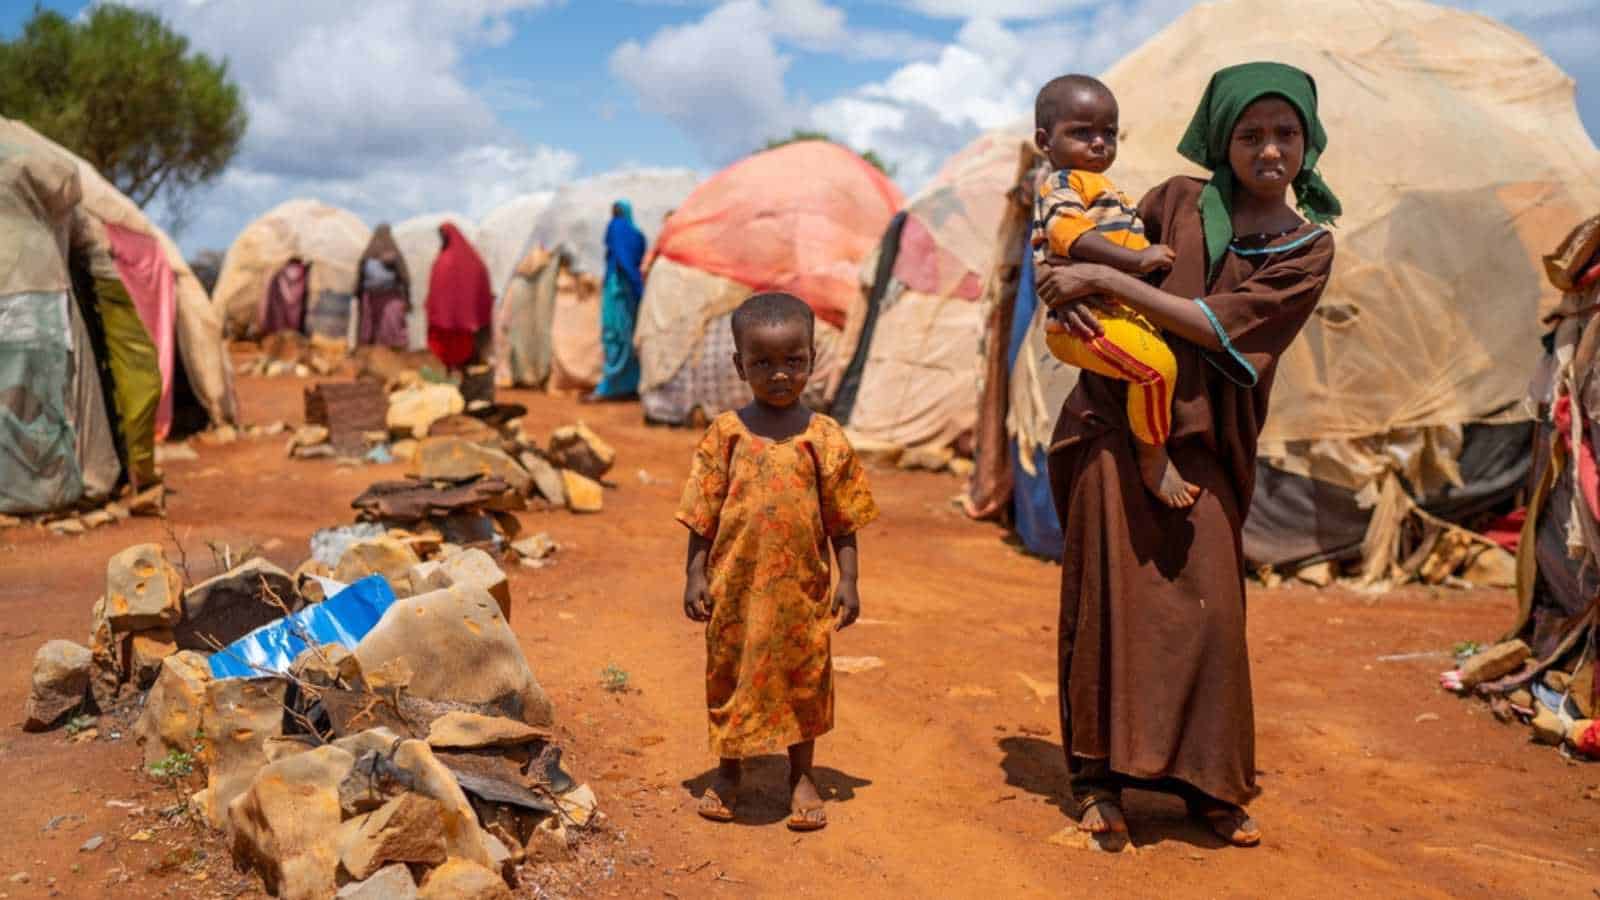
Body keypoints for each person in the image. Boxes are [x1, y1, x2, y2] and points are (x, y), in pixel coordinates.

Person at [1035, 61, 1339, 847]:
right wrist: (1071, 277)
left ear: (1308, 142)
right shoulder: (1172, 201)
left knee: (1209, 615)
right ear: (1221, 138)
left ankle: (1207, 782)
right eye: (1249, 133)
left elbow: (1217, 325)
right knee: (1109, 608)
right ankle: (1098, 779)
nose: (1268, 149)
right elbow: (1077, 261)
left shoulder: (1307, 248)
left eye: (1285, 133)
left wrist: (1106, 275)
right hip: (1117, 426)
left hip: (1206, 445)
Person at [675, 292, 877, 832]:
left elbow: (844, 518)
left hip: (801, 593)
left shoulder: (825, 437)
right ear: (740, 365)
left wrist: (849, 579)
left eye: (793, 361)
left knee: (804, 677)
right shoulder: (725, 435)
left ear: (812, 359)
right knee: (730, 676)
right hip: (733, 591)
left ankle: (801, 776)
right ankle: (729, 770)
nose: (780, 374)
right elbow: (701, 513)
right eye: (763, 363)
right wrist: (694, 574)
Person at [1031, 74, 1192, 508]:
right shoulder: (1060, 184)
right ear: (1045, 141)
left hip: (1112, 312)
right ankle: (1153, 456)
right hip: (1084, 320)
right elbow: (1068, 235)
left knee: (1159, 360)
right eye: (1081, 133)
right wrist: (1137, 262)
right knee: (1158, 368)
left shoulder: (1109, 191)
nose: (1099, 143)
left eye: (1108, 132)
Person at [585, 200, 647, 402]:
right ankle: (630, 385)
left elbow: (623, 257)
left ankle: (611, 387)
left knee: (614, 336)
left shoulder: (616, 227)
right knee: (628, 337)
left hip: (618, 289)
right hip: (631, 291)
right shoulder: (637, 235)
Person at [426, 222, 494, 370]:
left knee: (452, 350)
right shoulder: (472, 259)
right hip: (463, 321)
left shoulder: (444, 259)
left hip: (450, 322)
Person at [354, 224, 411, 349]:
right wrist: (407, 299)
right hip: (390, 298)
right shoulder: (394, 252)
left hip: (369, 298)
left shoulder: (367, 254)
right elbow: (405, 277)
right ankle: (393, 354)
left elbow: (359, 279)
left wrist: (358, 296)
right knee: (391, 328)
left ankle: (367, 353)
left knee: (368, 329)